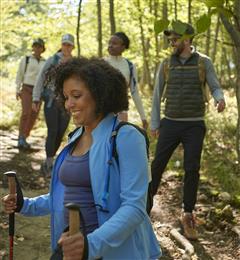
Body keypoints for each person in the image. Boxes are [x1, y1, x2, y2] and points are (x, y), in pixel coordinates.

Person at [2, 57, 161, 259]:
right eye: (66, 97)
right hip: (72, 248)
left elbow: (134, 207)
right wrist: (26, 205)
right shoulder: (76, 136)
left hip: (107, 252)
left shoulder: (126, 136)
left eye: (76, 95)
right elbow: (65, 195)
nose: (69, 104)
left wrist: (89, 245)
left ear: (100, 94)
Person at [150, 22, 226, 240]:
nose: (171, 43)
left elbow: (215, 86)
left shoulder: (204, 62)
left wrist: (220, 99)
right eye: (170, 39)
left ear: (186, 40)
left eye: (174, 39)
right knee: (157, 166)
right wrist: (155, 123)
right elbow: (156, 95)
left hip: (194, 124)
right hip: (170, 123)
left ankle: (187, 214)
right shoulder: (166, 64)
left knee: (191, 168)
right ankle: (142, 209)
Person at [32, 34, 74, 176]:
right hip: (51, 101)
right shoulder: (53, 59)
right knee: (53, 130)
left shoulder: (75, 62)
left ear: (73, 47)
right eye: (64, 44)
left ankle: (49, 160)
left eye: (69, 45)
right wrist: (36, 98)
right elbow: (40, 78)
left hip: (67, 103)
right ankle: (49, 163)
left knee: (61, 132)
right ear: (61, 45)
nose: (66, 47)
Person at [105, 31, 148, 130]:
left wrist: (143, 117)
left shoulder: (130, 66)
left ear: (123, 47)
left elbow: (135, 92)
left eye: (114, 43)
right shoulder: (101, 63)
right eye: (109, 43)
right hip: (103, 112)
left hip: (121, 111)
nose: (110, 46)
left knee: (119, 141)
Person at [16, 38, 46, 149]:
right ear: (32, 47)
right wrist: (18, 89)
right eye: (35, 46)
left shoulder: (45, 61)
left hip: (39, 91)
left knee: (34, 115)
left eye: (40, 46)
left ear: (43, 49)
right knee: (26, 112)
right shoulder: (27, 59)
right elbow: (19, 74)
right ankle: (20, 138)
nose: (37, 48)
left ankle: (25, 137)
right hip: (27, 88)